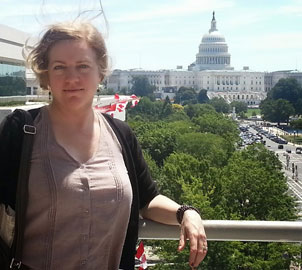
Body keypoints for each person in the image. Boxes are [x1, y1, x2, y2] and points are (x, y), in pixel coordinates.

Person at [0, 21, 207, 270]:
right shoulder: (19, 131)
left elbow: (148, 199)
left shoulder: (120, 134)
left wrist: (186, 213)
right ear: (46, 76)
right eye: (59, 67)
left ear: (101, 72)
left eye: (83, 66)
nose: (72, 77)